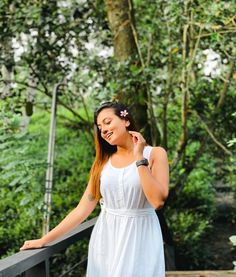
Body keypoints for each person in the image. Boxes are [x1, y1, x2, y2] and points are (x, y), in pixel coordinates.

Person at [20, 101, 169, 277]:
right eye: (99, 127)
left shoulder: (154, 154)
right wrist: (45, 240)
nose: (103, 130)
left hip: (141, 237)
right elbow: (82, 210)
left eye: (107, 122)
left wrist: (139, 159)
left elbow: (158, 201)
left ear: (126, 121)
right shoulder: (102, 163)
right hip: (107, 238)